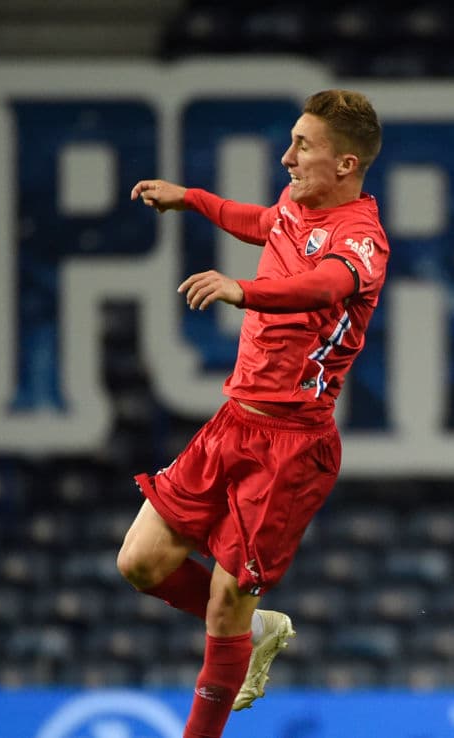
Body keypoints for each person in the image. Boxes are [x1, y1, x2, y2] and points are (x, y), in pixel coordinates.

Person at [117, 89, 388, 737]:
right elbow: (261, 221)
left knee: (221, 607)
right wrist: (194, 199)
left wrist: (244, 291)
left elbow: (322, 285)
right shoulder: (297, 205)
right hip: (232, 421)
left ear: (346, 164)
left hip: (292, 445)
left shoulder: (364, 239)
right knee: (140, 562)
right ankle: (259, 627)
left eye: (304, 146)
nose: (287, 156)